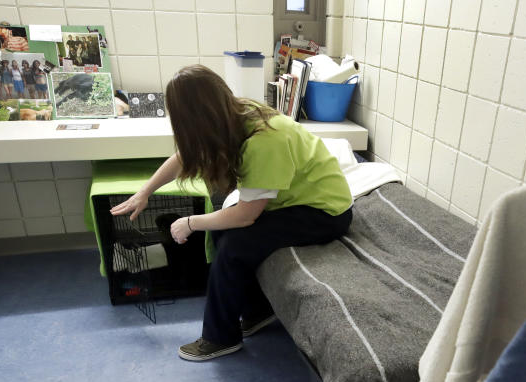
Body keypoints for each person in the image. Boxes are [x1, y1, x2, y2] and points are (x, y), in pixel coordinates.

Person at [110, 65, 353, 361]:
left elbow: (245, 217)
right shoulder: (235, 113)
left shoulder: (264, 140)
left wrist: (190, 223)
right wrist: (145, 192)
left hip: (324, 211)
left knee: (234, 247)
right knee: (225, 231)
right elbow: (184, 156)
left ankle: (220, 338)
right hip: (294, 200)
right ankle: (258, 310)